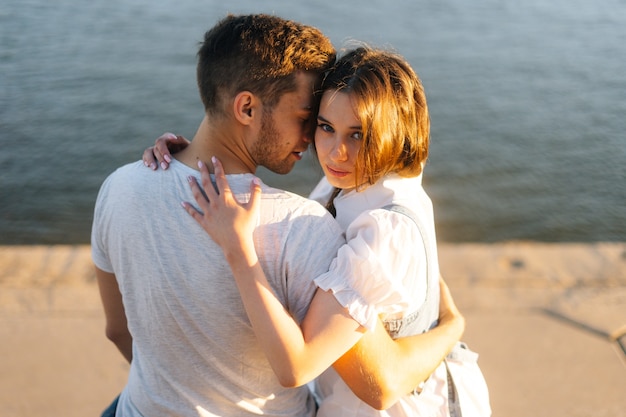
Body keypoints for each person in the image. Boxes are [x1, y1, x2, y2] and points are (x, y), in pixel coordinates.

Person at [93, 14, 463, 417]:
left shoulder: (119, 186)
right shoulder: (301, 229)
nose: (312, 140)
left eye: (354, 133)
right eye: (311, 120)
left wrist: (178, 391)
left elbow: (117, 330)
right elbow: (371, 376)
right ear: (247, 108)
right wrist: (452, 328)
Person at [176, 46, 484, 416]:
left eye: (358, 134)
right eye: (326, 127)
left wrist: (239, 251)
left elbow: (309, 368)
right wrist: (186, 159)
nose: (336, 152)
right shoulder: (350, 184)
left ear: (396, 132)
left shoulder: (384, 230)